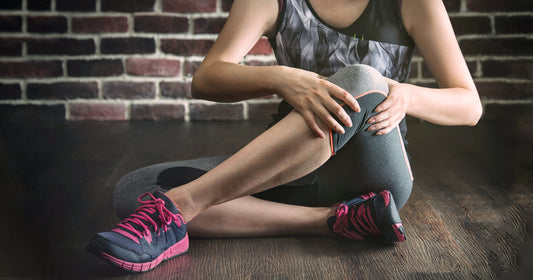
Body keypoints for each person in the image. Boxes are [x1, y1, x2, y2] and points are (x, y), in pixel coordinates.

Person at [86, 0, 482, 273]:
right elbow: (206, 78)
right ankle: (338, 219)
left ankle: (181, 207)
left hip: (372, 171)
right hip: (292, 167)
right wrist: (281, 78)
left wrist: (405, 93)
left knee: (362, 78)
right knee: (133, 191)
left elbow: (469, 105)